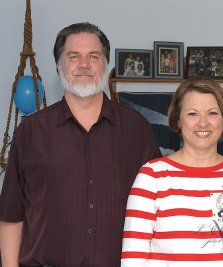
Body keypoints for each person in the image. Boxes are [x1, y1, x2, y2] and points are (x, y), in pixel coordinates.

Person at [0, 22, 160, 266]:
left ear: (105, 65)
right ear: (58, 65)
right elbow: (11, 216)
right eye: (73, 56)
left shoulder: (136, 129)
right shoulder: (31, 131)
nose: (84, 65)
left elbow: (159, 211)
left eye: (93, 56)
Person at [121, 77, 223, 267]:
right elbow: (133, 257)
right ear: (177, 120)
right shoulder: (152, 176)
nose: (203, 123)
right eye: (192, 114)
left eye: (212, 113)